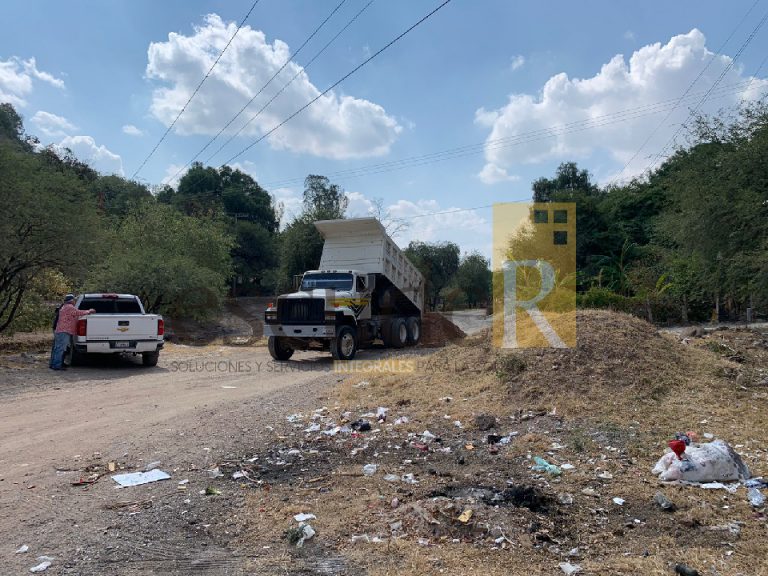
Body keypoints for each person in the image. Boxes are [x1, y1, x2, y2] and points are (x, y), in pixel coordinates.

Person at [50, 294, 95, 370]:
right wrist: (89, 311)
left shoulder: (64, 307)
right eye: (74, 300)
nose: (74, 301)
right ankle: (57, 366)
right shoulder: (69, 307)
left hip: (60, 330)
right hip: (64, 331)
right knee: (60, 348)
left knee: (57, 348)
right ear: (71, 300)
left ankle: (53, 364)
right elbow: (78, 313)